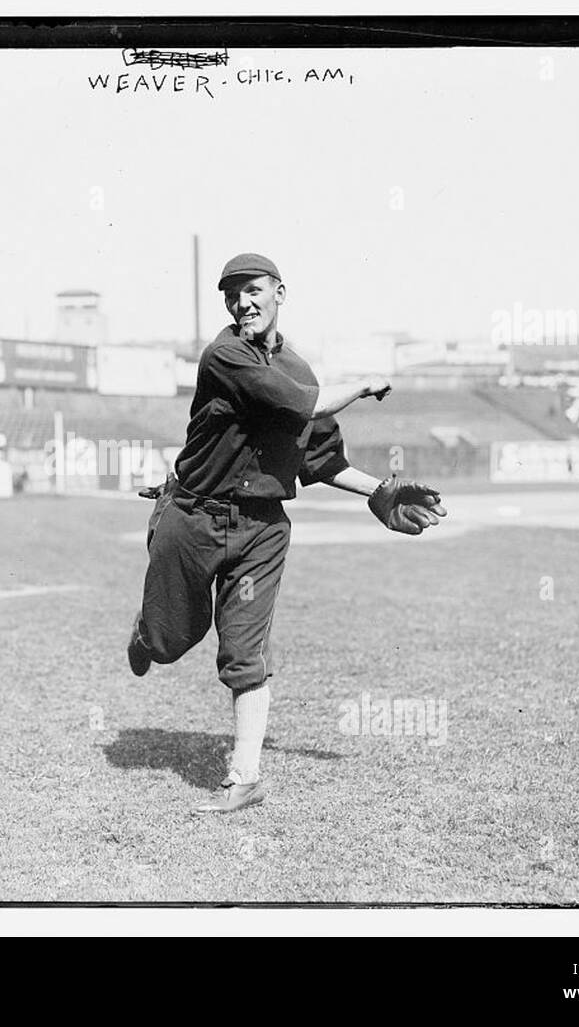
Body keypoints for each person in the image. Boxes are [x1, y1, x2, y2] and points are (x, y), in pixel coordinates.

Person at [126, 252, 447, 814]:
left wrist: (379, 492)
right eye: (232, 295)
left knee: (244, 654)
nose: (242, 303)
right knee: (170, 639)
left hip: (260, 530)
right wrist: (366, 383)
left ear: (279, 292)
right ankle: (150, 630)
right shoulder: (225, 354)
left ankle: (244, 778)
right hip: (195, 517)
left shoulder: (296, 368)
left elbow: (319, 462)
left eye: (253, 290)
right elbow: (308, 403)